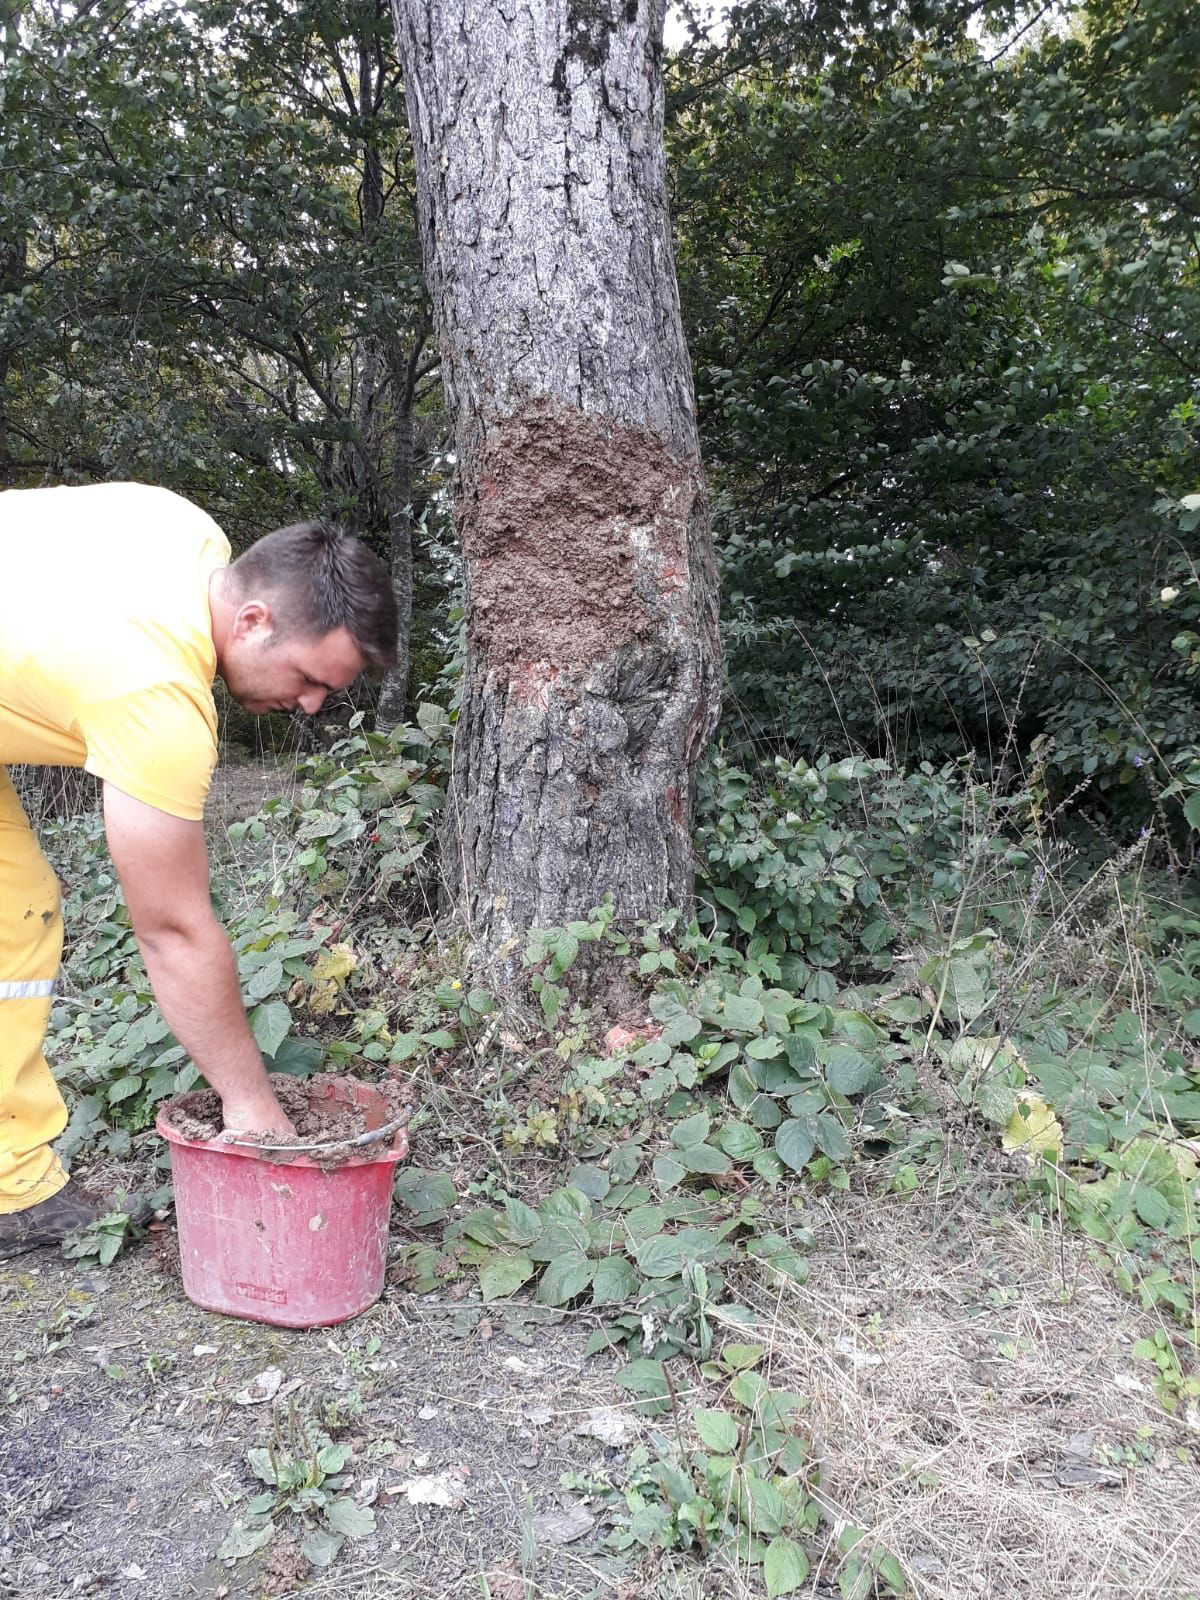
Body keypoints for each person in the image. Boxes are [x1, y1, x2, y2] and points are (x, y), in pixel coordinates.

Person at [0, 481, 398, 1258]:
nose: (313, 706)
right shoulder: (157, 695)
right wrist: (252, 1107)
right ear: (253, 621)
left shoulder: (187, 531)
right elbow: (172, 930)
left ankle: (9, 1184)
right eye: (311, 679)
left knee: (15, 912)